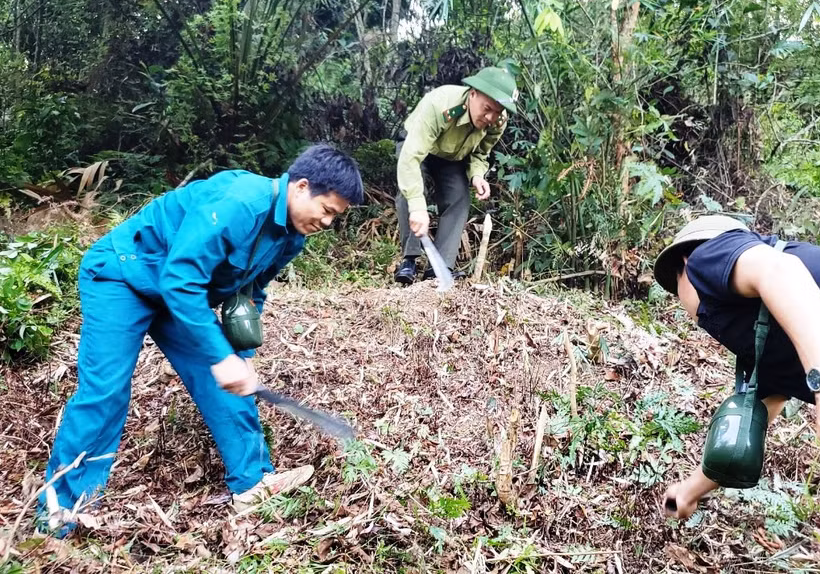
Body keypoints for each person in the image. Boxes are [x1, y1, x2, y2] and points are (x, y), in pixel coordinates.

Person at [40, 144, 364, 533]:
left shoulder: (292, 236)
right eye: (327, 210)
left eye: (335, 216)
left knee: (228, 379)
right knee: (105, 390)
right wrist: (221, 355)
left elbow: (251, 293)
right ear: (301, 186)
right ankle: (61, 512)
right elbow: (180, 279)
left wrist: (240, 354)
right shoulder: (240, 203)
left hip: (176, 294)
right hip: (124, 275)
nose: (327, 222)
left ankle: (252, 483)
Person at [653, 215, 820, 573]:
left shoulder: (710, 255)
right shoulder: (771, 332)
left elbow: (779, 271)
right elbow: (749, 427)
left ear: (686, 265)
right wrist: (691, 490)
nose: (687, 309)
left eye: (676, 286)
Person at [393, 64, 518, 284]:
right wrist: (418, 208)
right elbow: (410, 158)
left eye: (497, 112)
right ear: (472, 94)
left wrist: (477, 175)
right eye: (487, 108)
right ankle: (409, 260)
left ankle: (439, 268)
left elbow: (481, 153)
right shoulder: (439, 104)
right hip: (418, 146)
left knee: (459, 198)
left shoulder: (498, 121)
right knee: (411, 192)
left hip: (451, 157)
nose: (490, 117)